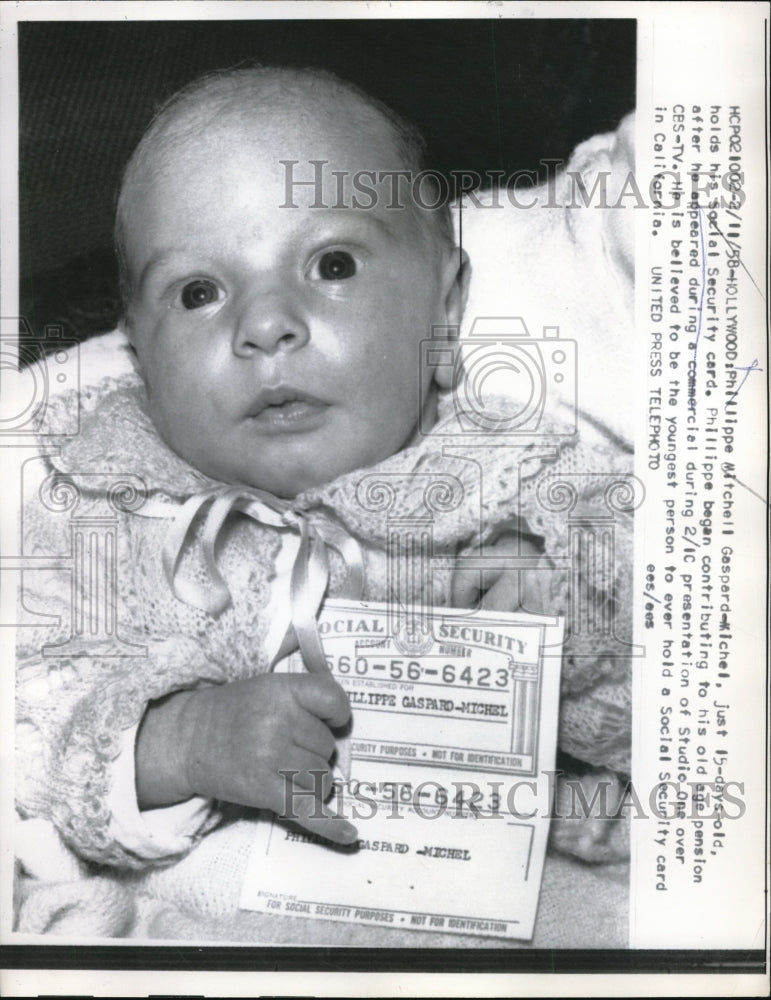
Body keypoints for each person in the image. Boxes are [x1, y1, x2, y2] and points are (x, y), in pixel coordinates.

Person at [15, 67, 632, 935]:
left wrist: (574, 634)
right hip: (209, 924)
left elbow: (689, 708)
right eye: (199, 292)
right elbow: (36, 742)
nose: (265, 325)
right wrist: (184, 741)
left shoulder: (530, 483)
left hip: (509, 917)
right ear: (140, 358)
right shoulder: (104, 511)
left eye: (330, 263)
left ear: (445, 310)